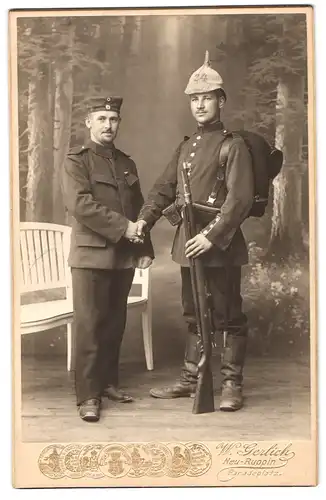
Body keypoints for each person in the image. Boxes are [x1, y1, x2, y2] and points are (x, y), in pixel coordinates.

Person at [137, 51, 254, 411]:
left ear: (220, 101)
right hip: (188, 241)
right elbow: (162, 188)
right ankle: (193, 377)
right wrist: (145, 219)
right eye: (194, 99)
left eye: (206, 98)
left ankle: (232, 383)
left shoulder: (232, 145)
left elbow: (241, 199)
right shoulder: (187, 146)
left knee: (228, 314)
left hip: (220, 243)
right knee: (194, 312)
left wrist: (212, 236)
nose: (200, 105)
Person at [63, 95, 154, 422]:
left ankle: (108, 383)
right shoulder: (78, 160)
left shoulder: (126, 163)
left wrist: (144, 248)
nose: (108, 125)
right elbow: (81, 206)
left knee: (115, 323)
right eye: (101, 118)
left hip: (122, 256)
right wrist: (125, 228)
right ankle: (88, 395)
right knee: (90, 324)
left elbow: (138, 206)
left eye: (113, 119)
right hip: (89, 256)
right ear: (89, 122)